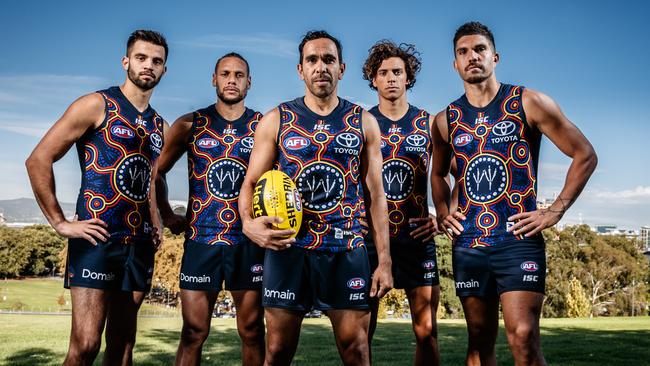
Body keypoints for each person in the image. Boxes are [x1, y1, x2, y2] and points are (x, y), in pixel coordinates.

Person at [430, 21, 598, 366]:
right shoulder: (446, 119)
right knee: (478, 344)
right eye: (463, 52)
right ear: (455, 64)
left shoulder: (528, 101)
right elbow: (437, 173)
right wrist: (444, 210)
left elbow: (584, 154)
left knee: (523, 335)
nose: (472, 57)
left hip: (518, 237)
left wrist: (555, 211)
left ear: (495, 56)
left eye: (479, 49)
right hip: (470, 244)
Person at [238, 30, 393, 366]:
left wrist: (384, 260)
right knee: (277, 351)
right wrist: (249, 225)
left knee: (357, 350)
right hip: (287, 248)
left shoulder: (363, 121)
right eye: (312, 60)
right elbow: (250, 182)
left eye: (328, 60)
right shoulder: (276, 119)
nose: (320, 67)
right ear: (300, 69)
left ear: (341, 68)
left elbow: (376, 195)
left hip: (346, 249)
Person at [25, 30, 168, 365]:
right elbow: (38, 159)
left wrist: (156, 218)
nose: (148, 66)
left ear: (164, 70)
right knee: (86, 345)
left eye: (157, 61)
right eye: (141, 58)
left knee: (121, 348)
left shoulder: (159, 124)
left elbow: (149, 178)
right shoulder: (96, 104)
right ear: (126, 61)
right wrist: (60, 223)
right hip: (96, 239)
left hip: (139, 244)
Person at [155, 52, 265, 366]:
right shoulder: (191, 124)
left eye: (239, 75)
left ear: (249, 82)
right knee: (193, 331)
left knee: (253, 331)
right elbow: (157, 171)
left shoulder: (263, 125)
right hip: (201, 241)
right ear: (214, 79)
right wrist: (167, 215)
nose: (232, 80)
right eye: (225, 74)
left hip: (248, 242)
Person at [361, 40, 440, 365]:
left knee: (426, 332)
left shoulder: (430, 123)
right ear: (374, 80)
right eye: (383, 72)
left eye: (398, 71)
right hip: (369, 241)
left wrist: (443, 214)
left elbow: (456, 173)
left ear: (409, 77)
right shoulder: (360, 122)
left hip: (416, 240)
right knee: (361, 334)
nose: (391, 78)